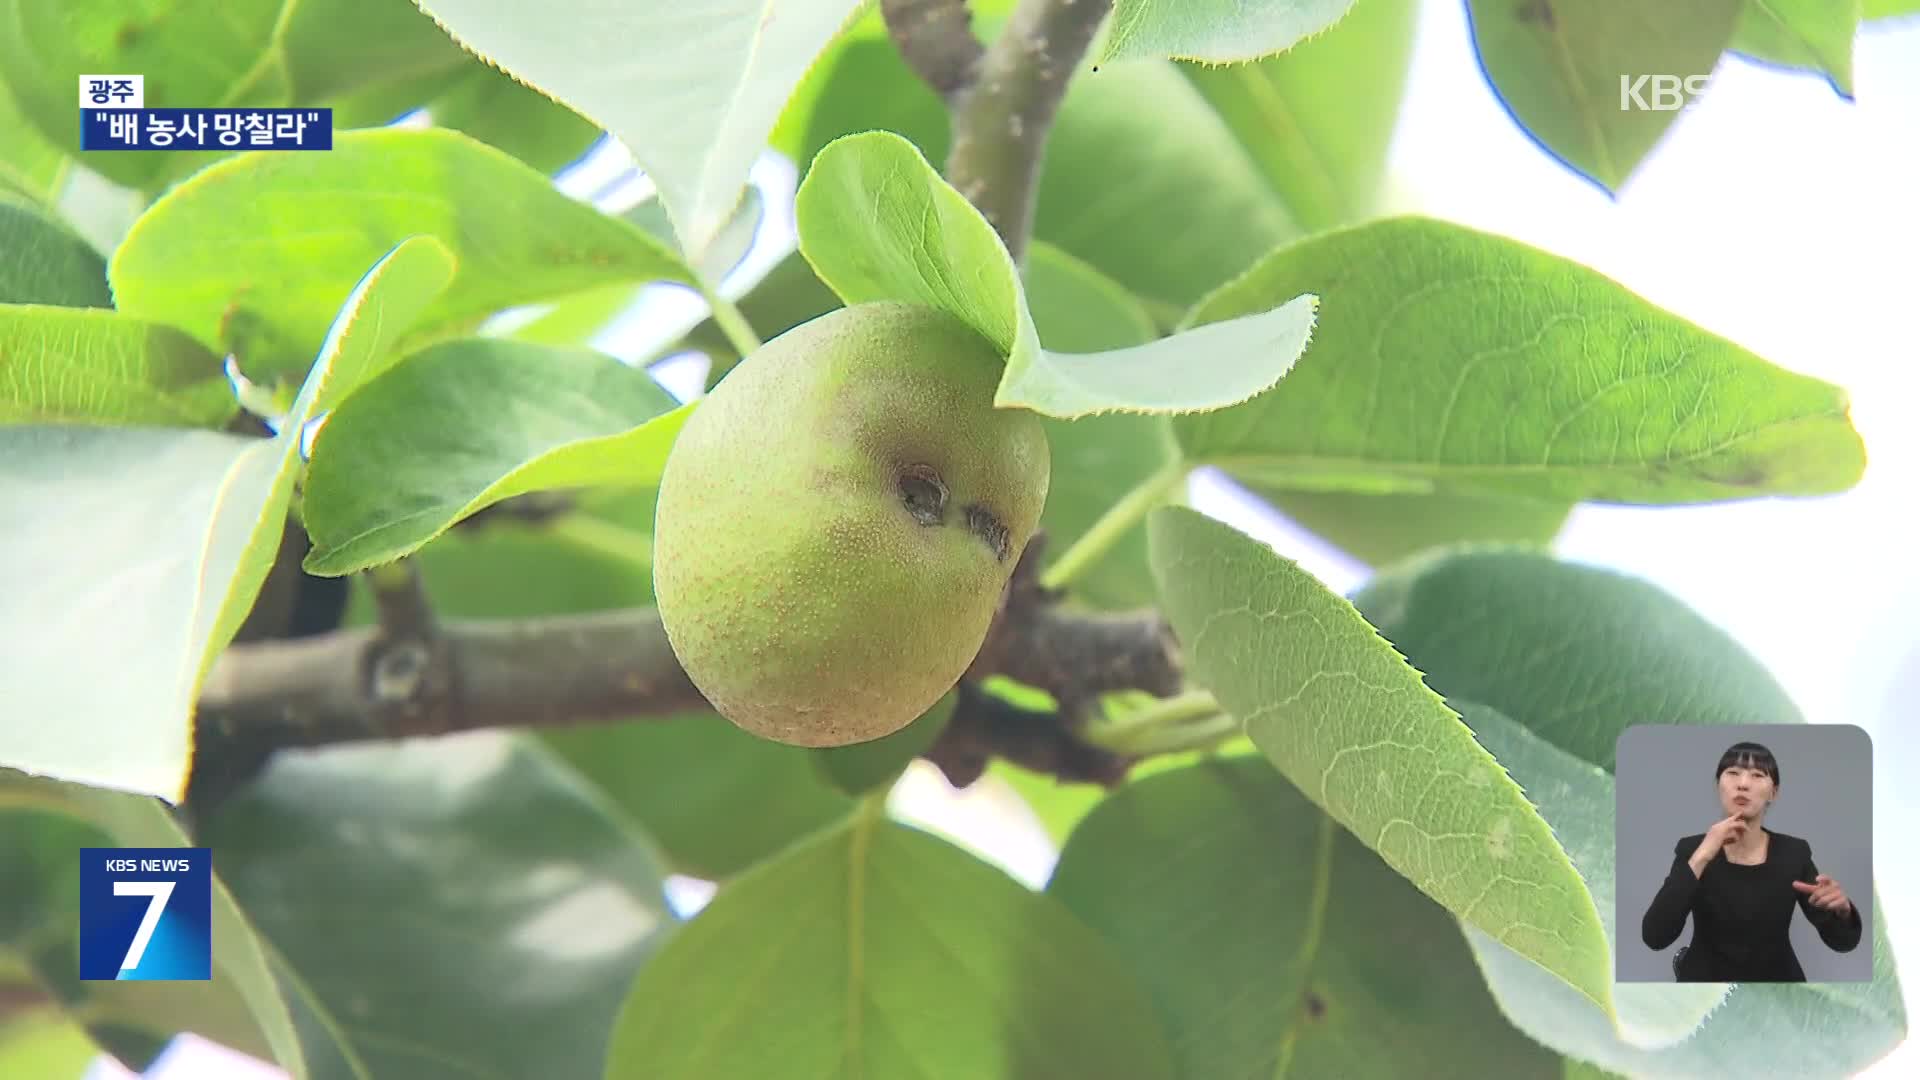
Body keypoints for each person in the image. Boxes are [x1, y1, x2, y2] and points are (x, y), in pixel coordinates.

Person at [1640, 741, 1862, 982]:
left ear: (1773, 792)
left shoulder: (1793, 853)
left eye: (1757, 775)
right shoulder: (1693, 849)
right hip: (1706, 987)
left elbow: (1842, 942)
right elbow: (1655, 936)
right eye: (1733, 773)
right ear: (1718, 785)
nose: (1743, 784)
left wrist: (1843, 911)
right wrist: (1703, 854)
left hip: (1776, 991)